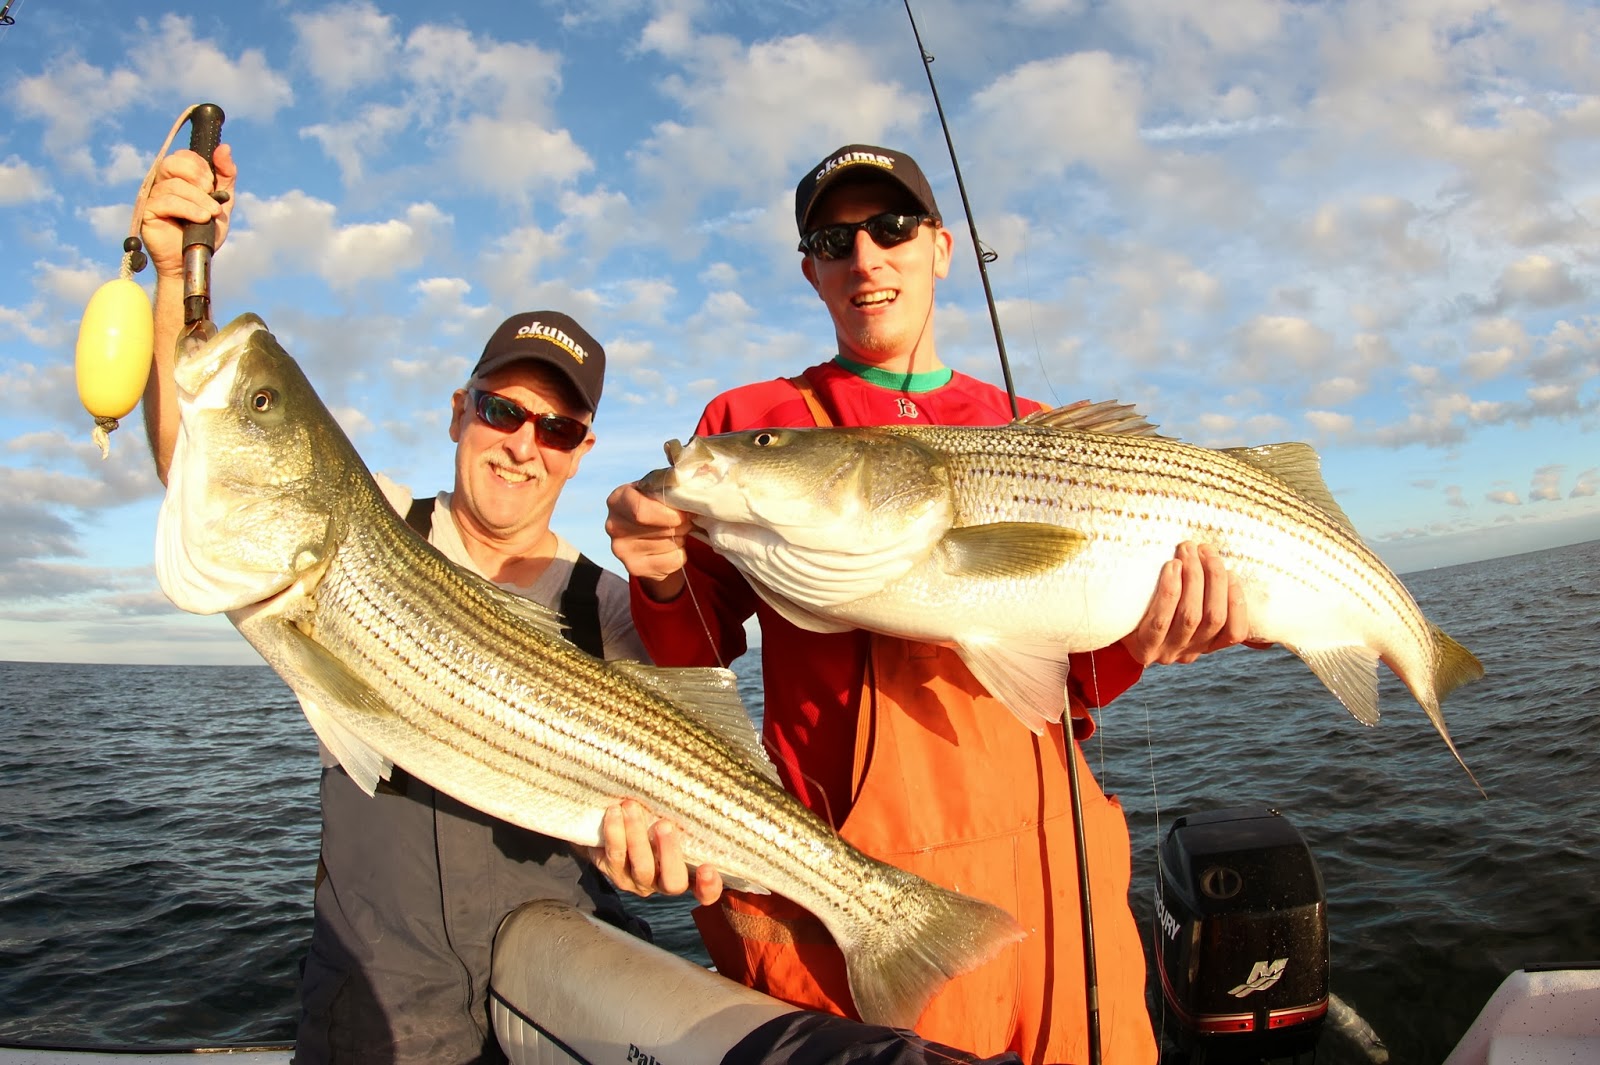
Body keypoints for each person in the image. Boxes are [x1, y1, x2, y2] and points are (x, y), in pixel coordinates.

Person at [604, 144, 1253, 1063]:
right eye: (836, 239)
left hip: (1062, 883)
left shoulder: (1030, 426)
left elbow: (1075, 681)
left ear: (942, 249)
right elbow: (694, 659)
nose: (867, 257)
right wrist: (661, 574)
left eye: (893, 228)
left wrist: (1152, 638)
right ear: (811, 270)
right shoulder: (753, 423)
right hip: (862, 889)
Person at [136, 146, 713, 1064]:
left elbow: (682, 782)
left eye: (556, 427)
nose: (523, 443)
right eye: (500, 409)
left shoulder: (609, 607)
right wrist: (177, 274)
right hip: (375, 1004)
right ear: (458, 410)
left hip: (551, 997)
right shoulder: (373, 519)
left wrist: (651, 859)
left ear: (581, 448)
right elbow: (195, 463)